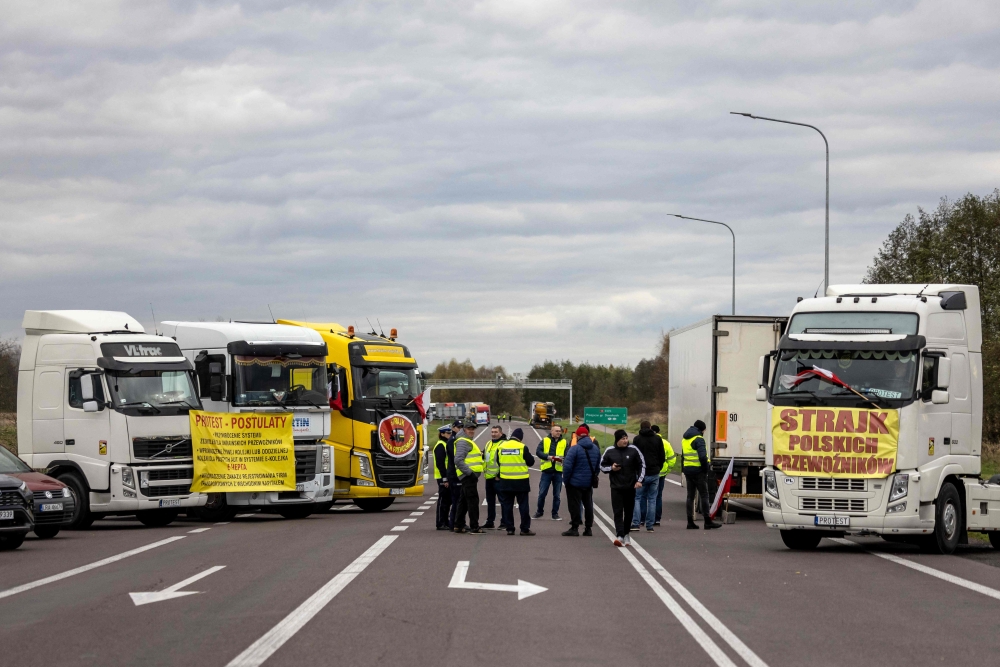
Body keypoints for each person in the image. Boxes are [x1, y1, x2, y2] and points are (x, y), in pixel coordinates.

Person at [600, 429, 645, 547]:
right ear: (617, 440)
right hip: (616, 487)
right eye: (622, 439)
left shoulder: (634, 450)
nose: (625, 441)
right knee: (618, 511)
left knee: (629, 512)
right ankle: (620, 535)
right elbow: (602, 466)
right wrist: (611, 468)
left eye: (626, 438)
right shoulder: (610, 451)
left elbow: (642, 464)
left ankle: (626, 534)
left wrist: (639, 480)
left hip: (630, 487)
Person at [560, 425, 599, 536]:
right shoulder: (595, 448)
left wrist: (566, 480)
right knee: (588, 505)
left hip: (574, 482)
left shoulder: (575, 448)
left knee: (575, 505)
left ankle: (575, 527)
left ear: (577, 435)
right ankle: (588, 528)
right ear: (587, 435)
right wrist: (593, 476)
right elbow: (597, 466)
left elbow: (567, 467)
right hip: (588, 482)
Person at [496, 428, 536, 535]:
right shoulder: (522, 447)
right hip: (521, 482)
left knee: (507, 506)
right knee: (523, 506)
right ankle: (524, 529)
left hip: (505, 481)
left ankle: (510, 528)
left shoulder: (501, 447)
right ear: (520, 438)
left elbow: (498, 461)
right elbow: (531, 462)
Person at [683, 419, 721, 530]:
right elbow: (703, 457)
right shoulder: (699, 439)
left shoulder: (685, 439)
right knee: (704, 495)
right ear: (701, 429)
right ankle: (707, 521)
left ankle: (690, 522)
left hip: (688, 470)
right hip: (698, 471)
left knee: (690, 496)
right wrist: (705, 469)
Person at [631, 420, 665, 532]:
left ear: (640, 428)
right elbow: (662, 456)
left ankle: (636, 523)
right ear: (650, 427)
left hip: (641, 473)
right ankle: (650, 525)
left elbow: (633, 456)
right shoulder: (657, 439)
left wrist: (636, 470)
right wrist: (658, 468)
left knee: (637, 498)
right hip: (654, 472)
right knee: (652, 499)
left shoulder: (637, 439)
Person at [453, 416, 485, 534]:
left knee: (464, 501)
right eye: (469, 429)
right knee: (473, 501)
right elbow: (458, 460)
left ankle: (459, 524)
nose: (471, 431)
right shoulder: (463, 441)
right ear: (464, 430)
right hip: (468, 476)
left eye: (473, 429)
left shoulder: (466, 441)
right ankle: (474, 527)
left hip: (468, 476)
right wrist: (470, 473)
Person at [534, 424, 567, 520]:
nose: (558, 432)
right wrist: (547, 457)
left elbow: (568, 453)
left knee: (557, 495)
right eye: (556, 431)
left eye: (559, 431)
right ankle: (539, 512)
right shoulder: (545, 440)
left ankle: (555, 514)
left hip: (558, 471)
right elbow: (538, 451)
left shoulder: (564, 442)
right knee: (542, 493)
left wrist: (562, 459)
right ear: (551, 431)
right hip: (547, 471)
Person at [482, 425, 506, 530]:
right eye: (492, 432)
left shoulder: (504, 444)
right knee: (490, 501)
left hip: (498, 479)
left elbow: (505, 461)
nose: (493, 434)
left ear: (501, 433)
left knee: (503, 501)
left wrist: (499, 475)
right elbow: (486, 457)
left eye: (496, 432)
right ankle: (490, 521)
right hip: (488, 477)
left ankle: (504, 522)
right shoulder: (489, 443)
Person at [651, 425, 676, 526]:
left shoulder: (649, 442)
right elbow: (672, 459)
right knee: (658, 496)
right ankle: (657, 519)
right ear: (659, 431)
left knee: (648, 496)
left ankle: (645, 519)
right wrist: (668, 470)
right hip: (662, 473)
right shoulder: (665, 443)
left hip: (651, 472)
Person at [433, 424, 454, 530]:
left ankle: (445, 521)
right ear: (442, 434)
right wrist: (445, 478)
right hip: (442, 477)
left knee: (448, 500)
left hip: (446, 476)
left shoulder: (446, 444)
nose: (450, 435)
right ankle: (441, 523)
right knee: (443, 501)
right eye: (448, 433)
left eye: (450, 433)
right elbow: (440, 463)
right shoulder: (441, 445)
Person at [446, 420, 463, 528]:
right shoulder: (453, 440)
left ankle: (458, 523)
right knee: (457, 501)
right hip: (454, 474)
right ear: (453, 428)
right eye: (458, 427)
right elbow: (455, 457)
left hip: (456, 473)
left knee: (459, 500)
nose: (460, 429)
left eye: (462, 427)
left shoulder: (457, 439)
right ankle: (454, 523)